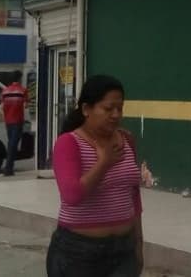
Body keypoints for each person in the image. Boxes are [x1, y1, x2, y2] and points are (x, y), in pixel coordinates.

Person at [47, 75, 143, 277]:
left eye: (120, 108)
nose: (115, 115)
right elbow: (72, 196)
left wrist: (138, 245)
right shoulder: (68, 143)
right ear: (86, 109)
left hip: (123, 251)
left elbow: (133, 196)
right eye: (108, 109)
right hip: (79, 254)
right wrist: (104, 162)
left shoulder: (127, 140)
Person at [1, 76, 28, 176]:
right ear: (20, 79)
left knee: (10, 143)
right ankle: (8, 168)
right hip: (18, 120)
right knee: (13, 144)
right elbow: (26, 105)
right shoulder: (22, 90)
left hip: (8, 121)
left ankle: (9, 167)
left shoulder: (5, 91)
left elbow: (2, 106)